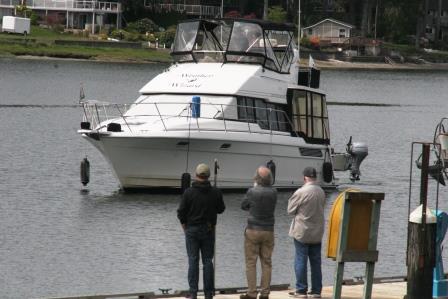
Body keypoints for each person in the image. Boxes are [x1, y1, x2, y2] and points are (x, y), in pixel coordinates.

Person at [177, 163, 226, 299]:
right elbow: (221, 209)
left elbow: (181, 213)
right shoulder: (216, 192)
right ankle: (208, 293)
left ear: (196, 175)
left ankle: (193, 293)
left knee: (193, 260)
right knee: (207, 261)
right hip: (209, 230)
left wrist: (185, 229)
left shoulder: (188, 192)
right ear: (209, 176)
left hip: (191, 230)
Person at [287, 167, 326, 298]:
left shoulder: (301, 192)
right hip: (317, 232)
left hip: (302, 232)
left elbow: (290, 210)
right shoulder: (321, 191)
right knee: (316, 262)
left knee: (300, 260)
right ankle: (316, 291)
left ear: (304, 178)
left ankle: (301, 290)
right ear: (315, 177)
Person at [240, 166, 277, 299]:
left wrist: (254, 188)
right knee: (266, 262)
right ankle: (265, 293)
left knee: (251, 262)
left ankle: (251, 293)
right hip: (268, 230)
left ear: (257, 178)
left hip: (253, 230)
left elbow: (244, 205)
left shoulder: (252, 191)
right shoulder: (274, 192)